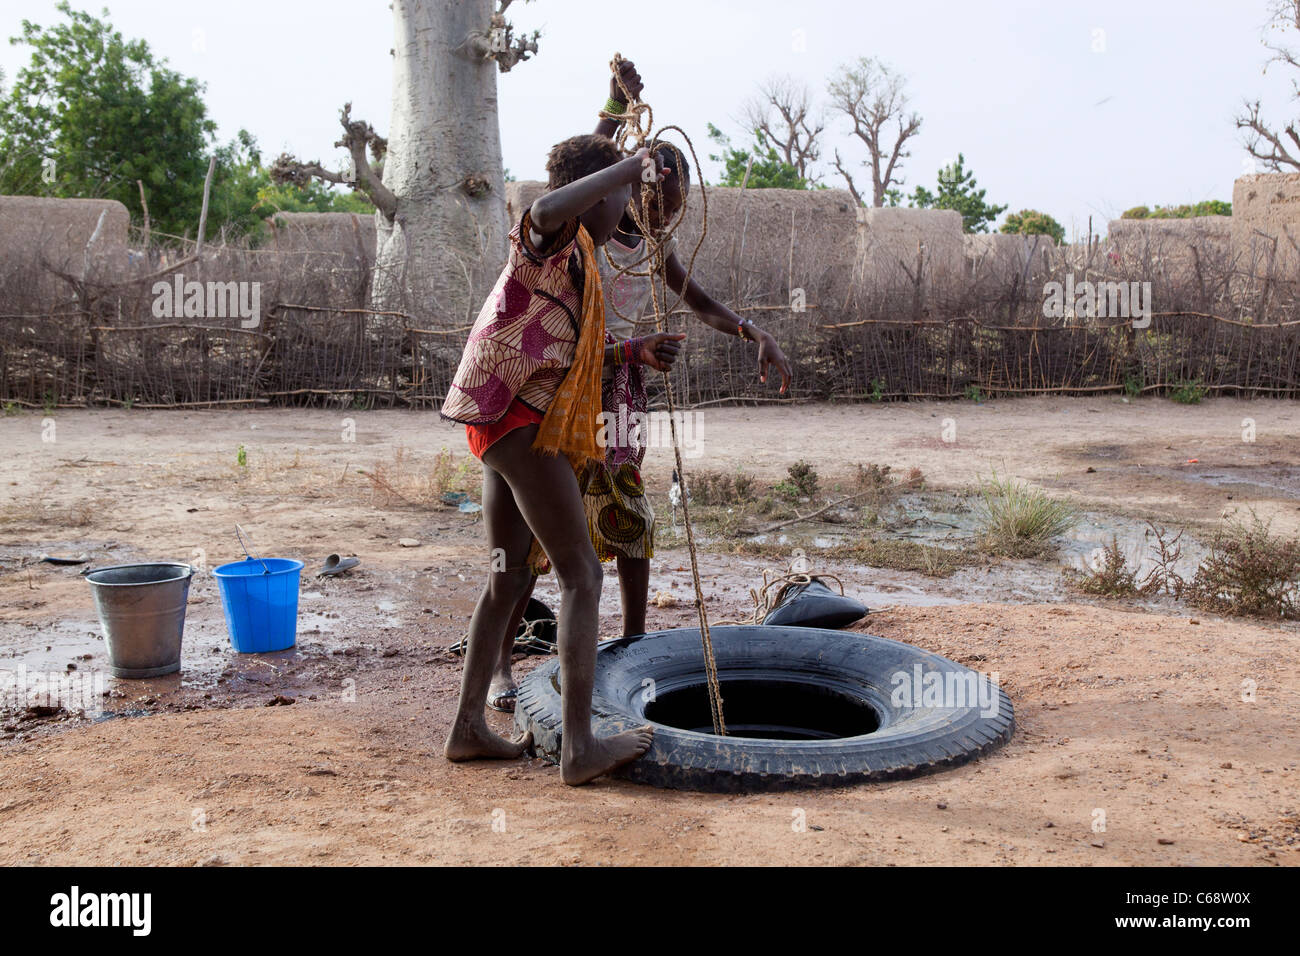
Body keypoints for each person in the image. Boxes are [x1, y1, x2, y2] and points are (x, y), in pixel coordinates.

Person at [484, 61, 794, 714]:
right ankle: (501, 670)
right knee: (534, 543)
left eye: (676, 199)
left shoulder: (652, 245)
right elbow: (576, 172)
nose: (670, 208)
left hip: (620, 396)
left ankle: (630, 647)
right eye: (661, 192)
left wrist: (752, 332)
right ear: (635, 184)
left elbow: (703, 302)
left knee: (628, 515)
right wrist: (615, 104)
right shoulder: (578, 234)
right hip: (564, 392)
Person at [441, 133, 683, 786]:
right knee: (581, 574)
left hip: (500, 417)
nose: (627, 206)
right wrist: (629, 165)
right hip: (515, 418)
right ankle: (578, 747)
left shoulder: (580, 265)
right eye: (621, 194)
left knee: (510, 577)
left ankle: (467, 728)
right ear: (597, 195)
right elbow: (547, 207)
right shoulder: (550, 237)